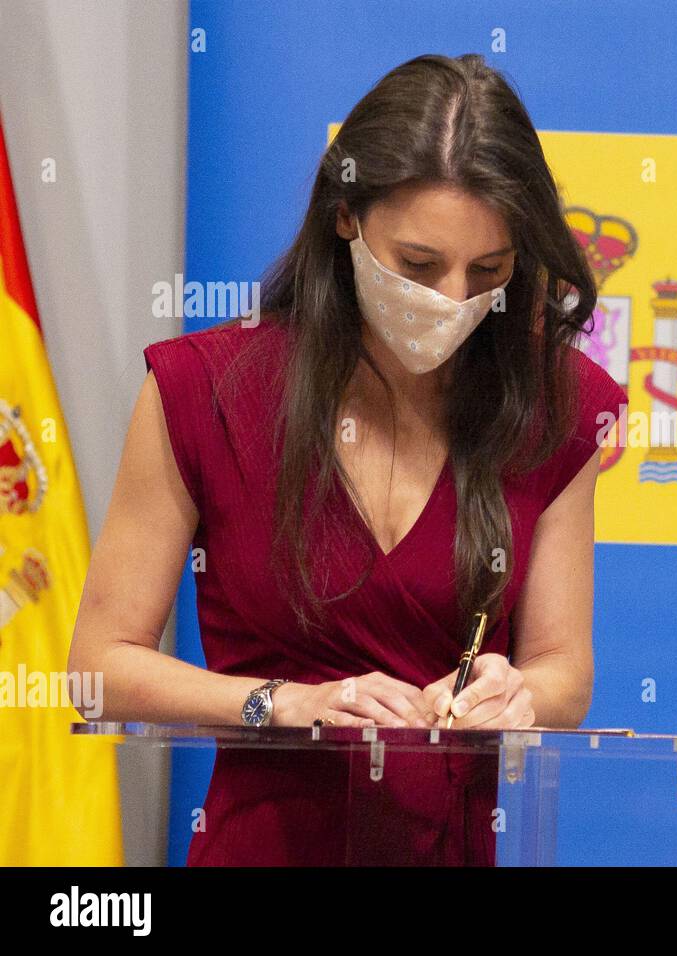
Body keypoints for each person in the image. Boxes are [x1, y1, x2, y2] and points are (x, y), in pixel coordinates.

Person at [66, 53, 628, 865]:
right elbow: (99, 669)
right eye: (419, 265)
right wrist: (287, 704)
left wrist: (518, 693)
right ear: (344, 215)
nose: (452, 298)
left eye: (490, 272)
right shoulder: (205, 389)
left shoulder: (554, 405)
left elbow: (563, 670)